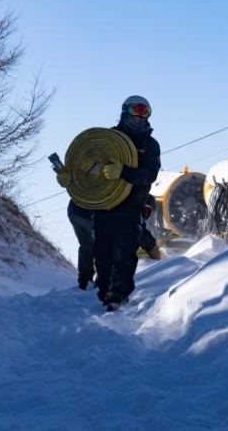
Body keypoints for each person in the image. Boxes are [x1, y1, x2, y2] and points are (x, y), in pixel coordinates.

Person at [56, 95, 161, 311]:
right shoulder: (107, 139)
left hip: (132, 207)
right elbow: (85, 167)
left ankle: (118, 297)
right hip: (104, 206)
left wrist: (123, 172)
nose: (138, 120)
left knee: (124, 252)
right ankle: (104, 293)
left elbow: (149, 174)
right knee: (102, 253)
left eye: (143, 116)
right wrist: (68, 178)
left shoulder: (150, 145)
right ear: (124, 114)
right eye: (134, 116)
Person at [68, 200, 96, 290]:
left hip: (74, 211)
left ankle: (85, 281)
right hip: (89, 212)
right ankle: (106, 278)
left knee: (86, 245)